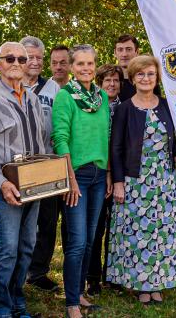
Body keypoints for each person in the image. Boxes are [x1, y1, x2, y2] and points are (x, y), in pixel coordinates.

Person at [0, 42, 51, 318]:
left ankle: (18, 301)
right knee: (7, 249)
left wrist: (48, 174)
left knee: (26, 247)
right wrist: (2, 184)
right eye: (10, 58)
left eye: (22, 58)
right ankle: (1, 307)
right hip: (6, 186)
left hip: (34, 184)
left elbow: (42, 141)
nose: (17, 62)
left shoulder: (31, 98)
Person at [106, 55, 176, 305]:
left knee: (162, 232)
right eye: (140, 74)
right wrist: (118, 182)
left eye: (150, 74)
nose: (145, 78)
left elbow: (172, 137)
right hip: (135, 180)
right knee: (137, 233)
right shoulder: (125, 109)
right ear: (132, 78)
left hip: (163, 180)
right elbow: (116, 147)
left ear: (157, 78)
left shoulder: (166, 105)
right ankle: (141, 285)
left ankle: (159, 282)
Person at [52, 45, 108, 317]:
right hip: (77, 176)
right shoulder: (65, 97)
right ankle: (71, 302)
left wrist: (107, 172)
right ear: (72, 68)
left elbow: (105, 137)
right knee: (76, 241)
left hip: (99, 175)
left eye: (90, 63)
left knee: (90, 240)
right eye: (81, 64)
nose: (86, 68)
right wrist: (70, 180)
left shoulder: (102, 97)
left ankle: (80, 293)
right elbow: (60, 139)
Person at [20, 36, 65, 293]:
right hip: (21, 166)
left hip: (48, 163)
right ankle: (18, 269)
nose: (34, 62)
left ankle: (38, 272)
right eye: (30, 57)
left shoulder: (53, 88)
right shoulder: (9, 85)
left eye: (38, 57)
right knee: (22, 222)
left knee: (47, 221)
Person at [86, 63, 125, 294]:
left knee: (117, 228)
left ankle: (113, 275)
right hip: (98, 173)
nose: (111, 84)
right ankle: (92, 277)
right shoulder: (91, 108)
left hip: (122, 175)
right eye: (107, 81)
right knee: (96, 226)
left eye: (115, 80)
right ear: (99, 84)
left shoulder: (126, 108)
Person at [113, 34, 140, 99]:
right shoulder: (107, 81)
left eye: (129, 49)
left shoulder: (147, 81)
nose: (124, 54)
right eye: (120, 49)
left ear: (137, 52)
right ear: (115, 53)